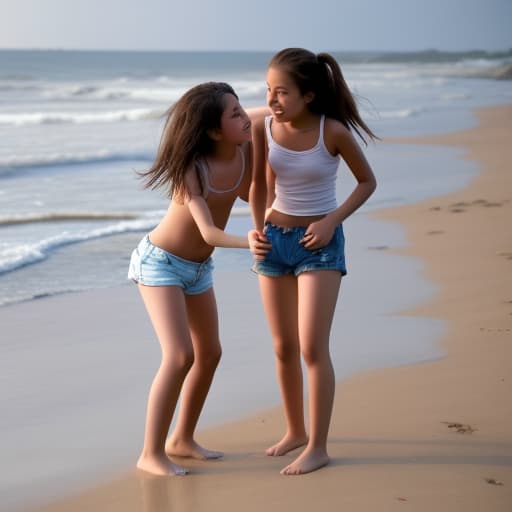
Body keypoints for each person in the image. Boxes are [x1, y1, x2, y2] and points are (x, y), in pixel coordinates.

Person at [128, 82, 269, 476]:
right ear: (212, 130)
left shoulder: (245, 147)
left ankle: (182, 439)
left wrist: (278, 109)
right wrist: (249, 242)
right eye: (234, 114)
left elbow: (269, 115)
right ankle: (151, 453)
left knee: (210, 353)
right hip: (161, 264)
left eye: (242, 110)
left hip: (198, 269)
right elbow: (208, 232)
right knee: (179, 356)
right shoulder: (192, 170)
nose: (244, 117)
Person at [249, 48, 378, 475]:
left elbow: (367, 182)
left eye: (281, 92)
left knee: (310, 347)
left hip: (320, 244)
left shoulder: (332, 131)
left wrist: (330, 220)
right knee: (282, 347)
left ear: (308, 94)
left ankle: (318, 446)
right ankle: (295, 431)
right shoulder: (265, 128)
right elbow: (261, 186)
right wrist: (256, 229)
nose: (272, 100)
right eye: (268, 90)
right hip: (275, 242)